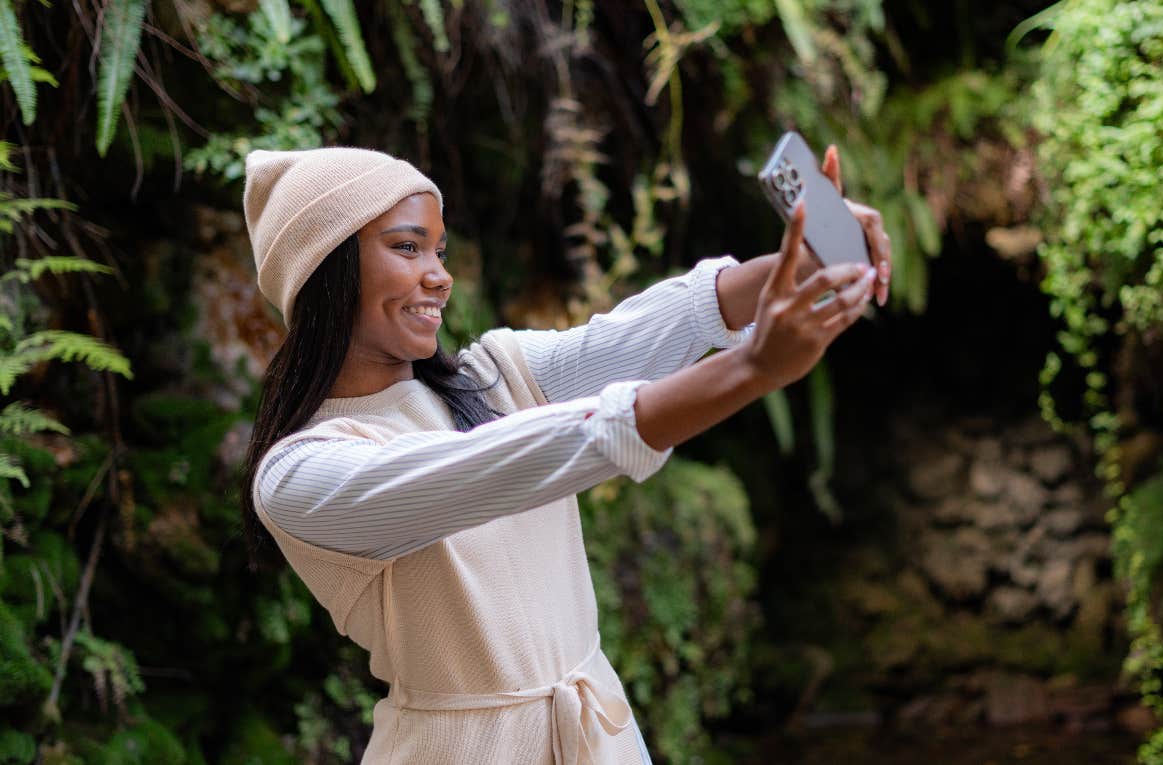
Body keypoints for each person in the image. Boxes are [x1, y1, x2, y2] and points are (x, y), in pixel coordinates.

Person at [239, 146, 891, 765]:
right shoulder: (300, 477)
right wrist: (751, 367)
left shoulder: (494, 376)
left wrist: (796, 264)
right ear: (326, 266)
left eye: (439, 250)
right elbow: (500, 467)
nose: (440, 276)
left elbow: (652, 328)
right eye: (407, 247)